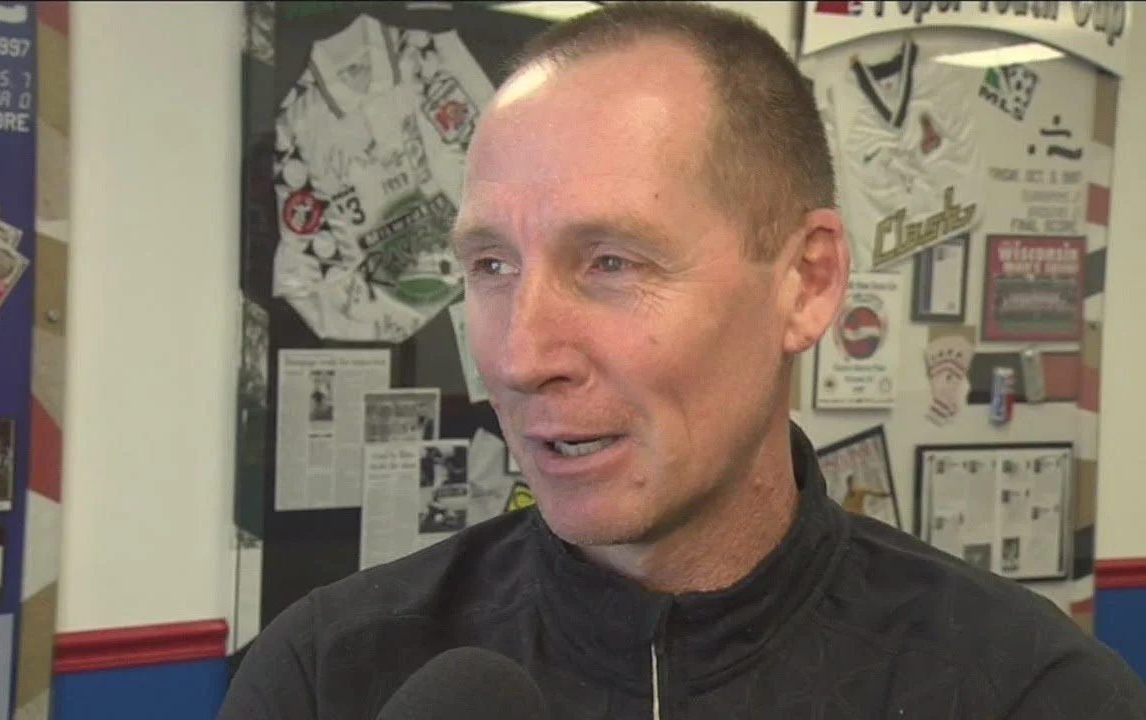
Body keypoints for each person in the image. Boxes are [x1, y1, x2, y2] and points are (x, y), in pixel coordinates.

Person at [220, 4, 1146, 718]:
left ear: (807, 282)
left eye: (612, 262)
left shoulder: (1030, 693)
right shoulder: (323, 677)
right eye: (491, 265)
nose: (517, 354)